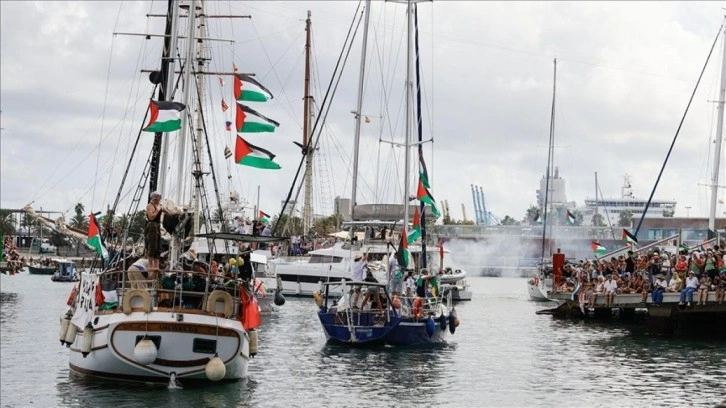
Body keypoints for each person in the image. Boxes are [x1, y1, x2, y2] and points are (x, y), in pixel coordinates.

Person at [145, 191, 169, 271]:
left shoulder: (160, 206)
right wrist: (157, 210)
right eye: (154, 197)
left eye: (157, 197)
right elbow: (151, 217)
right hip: (152, 225)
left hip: (158, 225)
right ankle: (150, 266)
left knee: (158, 246)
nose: (156, 199)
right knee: (152, 245)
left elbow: (168, 212)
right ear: (152, 198)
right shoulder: (150, 206)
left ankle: (156, 266)